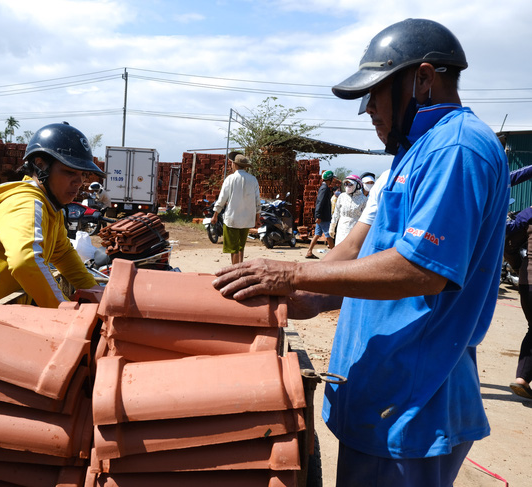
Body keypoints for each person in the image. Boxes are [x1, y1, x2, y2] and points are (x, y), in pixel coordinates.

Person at [212, 19, 509, 486]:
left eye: (375, 92)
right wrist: (313, 293)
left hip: (412, 396)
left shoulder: (457, 148)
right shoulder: (415, 152)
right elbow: (359, 246)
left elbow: (421, 269)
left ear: (423, 79)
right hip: (385, 389)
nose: (368, 109)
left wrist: (292, 274)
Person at [0, 122, 103, 308]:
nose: (79, 182)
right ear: (41, 166)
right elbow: (26, 261)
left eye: (83, 174)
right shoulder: (27, 203)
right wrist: (63, 310)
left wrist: (94, 290)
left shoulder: (51, 209)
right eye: (70, 172)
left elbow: (62, 254)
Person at [502, 163, 532, 399]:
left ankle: (522, 378)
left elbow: (509, 238)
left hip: (527, 281)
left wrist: (517, 267)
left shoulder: (529, 213)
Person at [210, 153, 261, 264]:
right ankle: (241, 269)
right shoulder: (253, 180)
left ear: (235, 165)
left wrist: (215, 215)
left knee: (234, 248)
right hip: (247, 219)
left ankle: (235, 271)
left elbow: (222, 199)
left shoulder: (230, 179)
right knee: (241, 247)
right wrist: (258, 218)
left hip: (232, 218)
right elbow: (258, 201)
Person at [329, 174, 367, 245]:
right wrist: (332, 226)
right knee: (340, 248)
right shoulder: (342, 196)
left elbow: (366, 217)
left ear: (357, 185)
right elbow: (336, 213)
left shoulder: (364, 199)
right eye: (345, 184)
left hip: (355, 228)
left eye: (350, 184)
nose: (347, 186)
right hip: (342, 227)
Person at [305, 169, 335, 259]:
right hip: (323, 217)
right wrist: (318, 215)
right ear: (329, 179)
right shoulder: (324, 188)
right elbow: (320, 203)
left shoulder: (324, 187)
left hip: (321, 216)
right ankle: (334, 255)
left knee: (317, 234)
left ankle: (309, 252)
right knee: (328, 235)